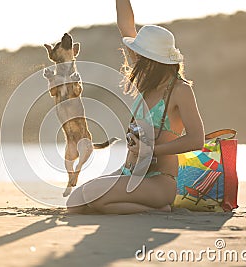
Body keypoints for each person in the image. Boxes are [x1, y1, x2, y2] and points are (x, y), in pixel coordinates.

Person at [66, 0, 205, 214]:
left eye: (140, 55)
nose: (135, 58)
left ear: (154, 59)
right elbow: (126, 27)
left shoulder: (180, 90)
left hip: (159, 181)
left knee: (95, 197)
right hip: (128, 172)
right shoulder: (147, 84)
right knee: (74, 203)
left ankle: (158, 208)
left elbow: (197, 139)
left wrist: (151, 151)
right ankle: (152, 209)